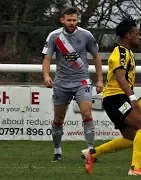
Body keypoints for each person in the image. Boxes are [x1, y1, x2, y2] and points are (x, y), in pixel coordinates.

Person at [82, 15, 141, 177]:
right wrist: (133, 99)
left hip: (114, 99)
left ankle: (92, 154)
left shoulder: (126, 52)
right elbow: (120, 77)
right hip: (117, 99)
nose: (139, 37)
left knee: (130, 138)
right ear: (128, 35)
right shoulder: (121, 53)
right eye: (137, 34)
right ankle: (135, 168)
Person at [42, 7, 104, 162]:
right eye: (68, 20)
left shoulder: (86, 35)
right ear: (62, 20)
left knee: (87, 114)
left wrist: (100, 79)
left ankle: (91, 151)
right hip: (61, 83)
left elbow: (96, 57)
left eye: (74, 20)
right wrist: (46, 76)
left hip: (82, 81)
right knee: (58, 119)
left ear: (78, 20)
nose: (71, 23)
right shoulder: (54, 36)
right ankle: (57, 151)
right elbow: (47, 59)